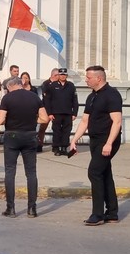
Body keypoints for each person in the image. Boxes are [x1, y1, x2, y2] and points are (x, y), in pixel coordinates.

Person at [70, 65, 124, 226]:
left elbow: (117, 121)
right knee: (104, 173)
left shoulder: (112, 95)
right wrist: (74, 140)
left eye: (88, 77)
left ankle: (98, 214)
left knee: (94, 172)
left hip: (107, 141)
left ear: (98, 78)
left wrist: (109, 143)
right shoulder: (92, 96)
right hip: (95, 141)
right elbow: (85, 121)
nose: (86, 79)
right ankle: (112, 213)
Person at [0, 76, 45, 218]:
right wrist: (32, 119)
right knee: (31, 173)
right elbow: (44, 118)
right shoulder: (34, 97)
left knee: (10, 172)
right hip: (30, 135)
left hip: (12, 136)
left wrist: (9, 118)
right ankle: (32, 208)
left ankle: (10, 208)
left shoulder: (8, 99)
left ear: (11, 86)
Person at [44, 68, 80, 155]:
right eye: (61, 75)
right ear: (58, 75)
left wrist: (74, 113)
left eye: (64, 75)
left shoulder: (71, 86)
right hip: (56, 113)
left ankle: (64, 147)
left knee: (66, 131)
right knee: (56, 131)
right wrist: (49, 113)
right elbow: (47, 100)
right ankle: (56, 148)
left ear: (66, 75)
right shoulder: (52, 85)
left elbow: (75, 100)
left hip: (68, 113)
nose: (63, 76)